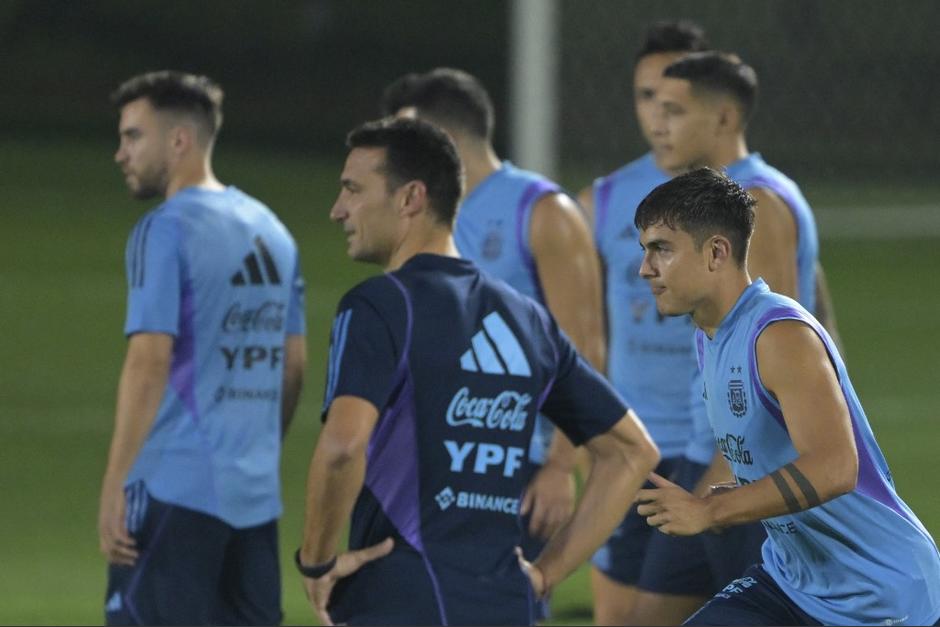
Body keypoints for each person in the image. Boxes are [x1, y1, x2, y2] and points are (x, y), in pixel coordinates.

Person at [295, 117, 659, 626]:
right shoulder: (525, 318)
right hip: (505, 607)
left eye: (353, 189)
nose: (339, 210)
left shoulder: (380, 305)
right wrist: (545, 575)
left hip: (400, 601)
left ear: (410, 198)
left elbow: (342, 447)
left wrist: (315, 562)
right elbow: (631, 451)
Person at [633, 167, 940, 626]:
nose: (645, 269)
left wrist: (710, 509)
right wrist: (741, 492)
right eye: (645, 250)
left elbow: (836, 466)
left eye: (661, 249)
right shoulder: (710, 336)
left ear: (716, 251)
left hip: (880, 597)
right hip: (794, 580)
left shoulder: (777, 335)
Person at [380, 68, 605, 594]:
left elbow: (585, 345)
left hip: (513, 462)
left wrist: (559, 466)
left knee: (497, 606)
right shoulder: (418, 215)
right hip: (430, 459)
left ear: (448, 141)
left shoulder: (543, 212)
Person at [97, 71, 306, 626]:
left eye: (133, 136)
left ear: (179, 141)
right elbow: (293, 366)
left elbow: (148, 362)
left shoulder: (164, 230)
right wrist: (258, 452)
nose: (121, 153)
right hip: (255, 499)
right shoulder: (274, 232)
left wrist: (117, 482)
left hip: (174, 490)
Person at [578, 22, 765, 625]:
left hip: (721, 459)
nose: (659, 118)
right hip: (648, 448)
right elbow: (583, 332)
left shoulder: (756, 205)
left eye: (674, 104)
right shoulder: (605, 197)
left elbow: (791, 333)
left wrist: (724, 475)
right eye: (647, 100)